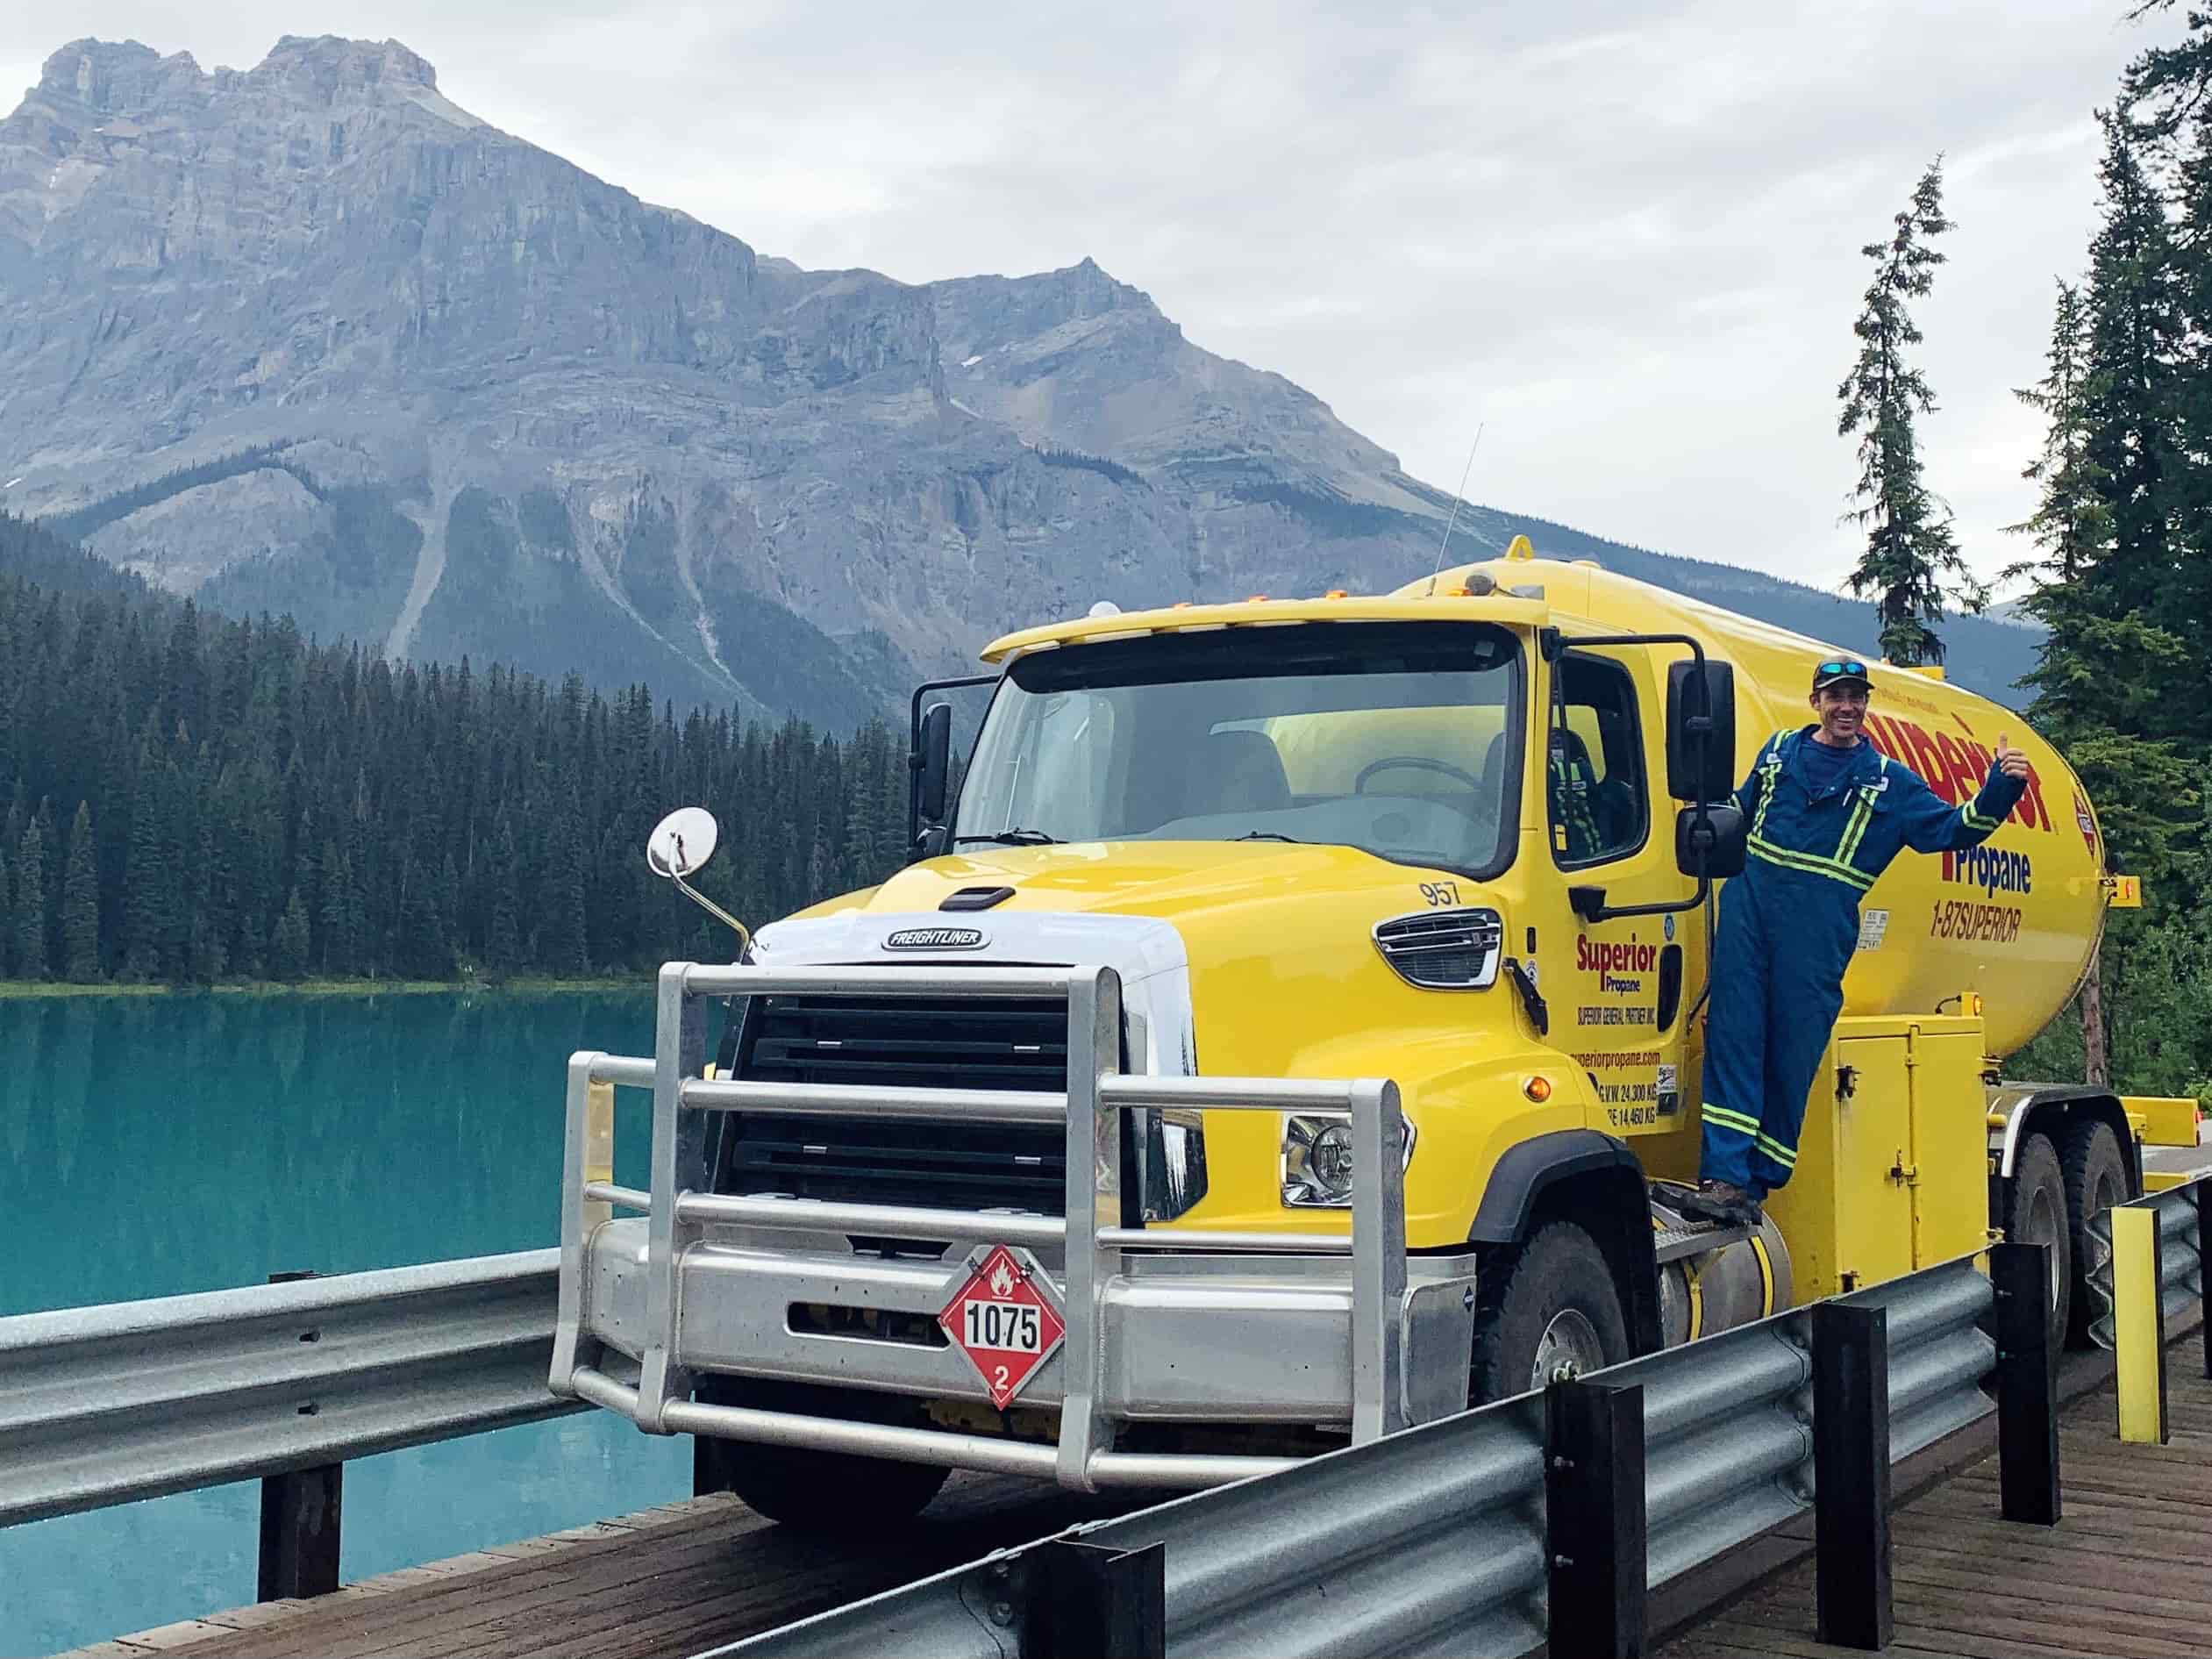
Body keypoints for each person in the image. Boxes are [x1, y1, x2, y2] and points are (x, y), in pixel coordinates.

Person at [1680, 657, 2030, 1226]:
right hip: (1747, 914)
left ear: (1865, 706)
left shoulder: (1891, 782)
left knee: (1791, 1057)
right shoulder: (1774, 755)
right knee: (1735, 1038)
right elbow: (1735, 814)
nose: (1847, 706)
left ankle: (1757, 1180)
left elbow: (1953, 828)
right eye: (1836, 695)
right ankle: (1723, 1178)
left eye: (1856, 697)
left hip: (1816, 936)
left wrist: (2002, 787)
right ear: (1815, 700)